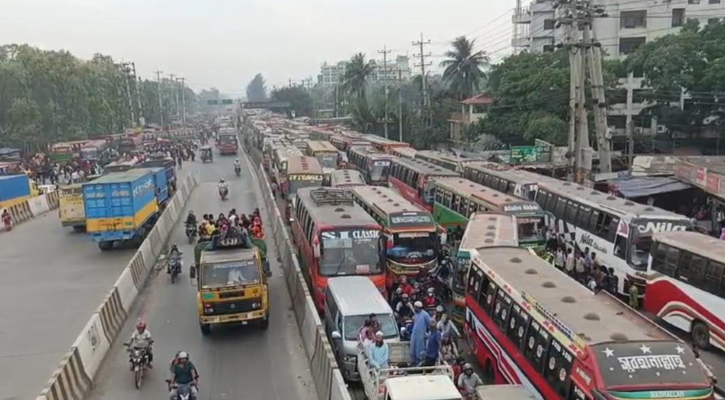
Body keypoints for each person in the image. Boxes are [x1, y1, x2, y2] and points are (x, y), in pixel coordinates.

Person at [410, 301, 431, 366]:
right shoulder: (416, 314)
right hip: (414, 335)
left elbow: (430, 325)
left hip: (421, 336)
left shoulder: (425, 315)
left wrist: (428, 334)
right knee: (413, 350)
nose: (414, 308)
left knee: (419, 351)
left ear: (419, 308)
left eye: (415, 307)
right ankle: (413, 363)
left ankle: (419, 365)